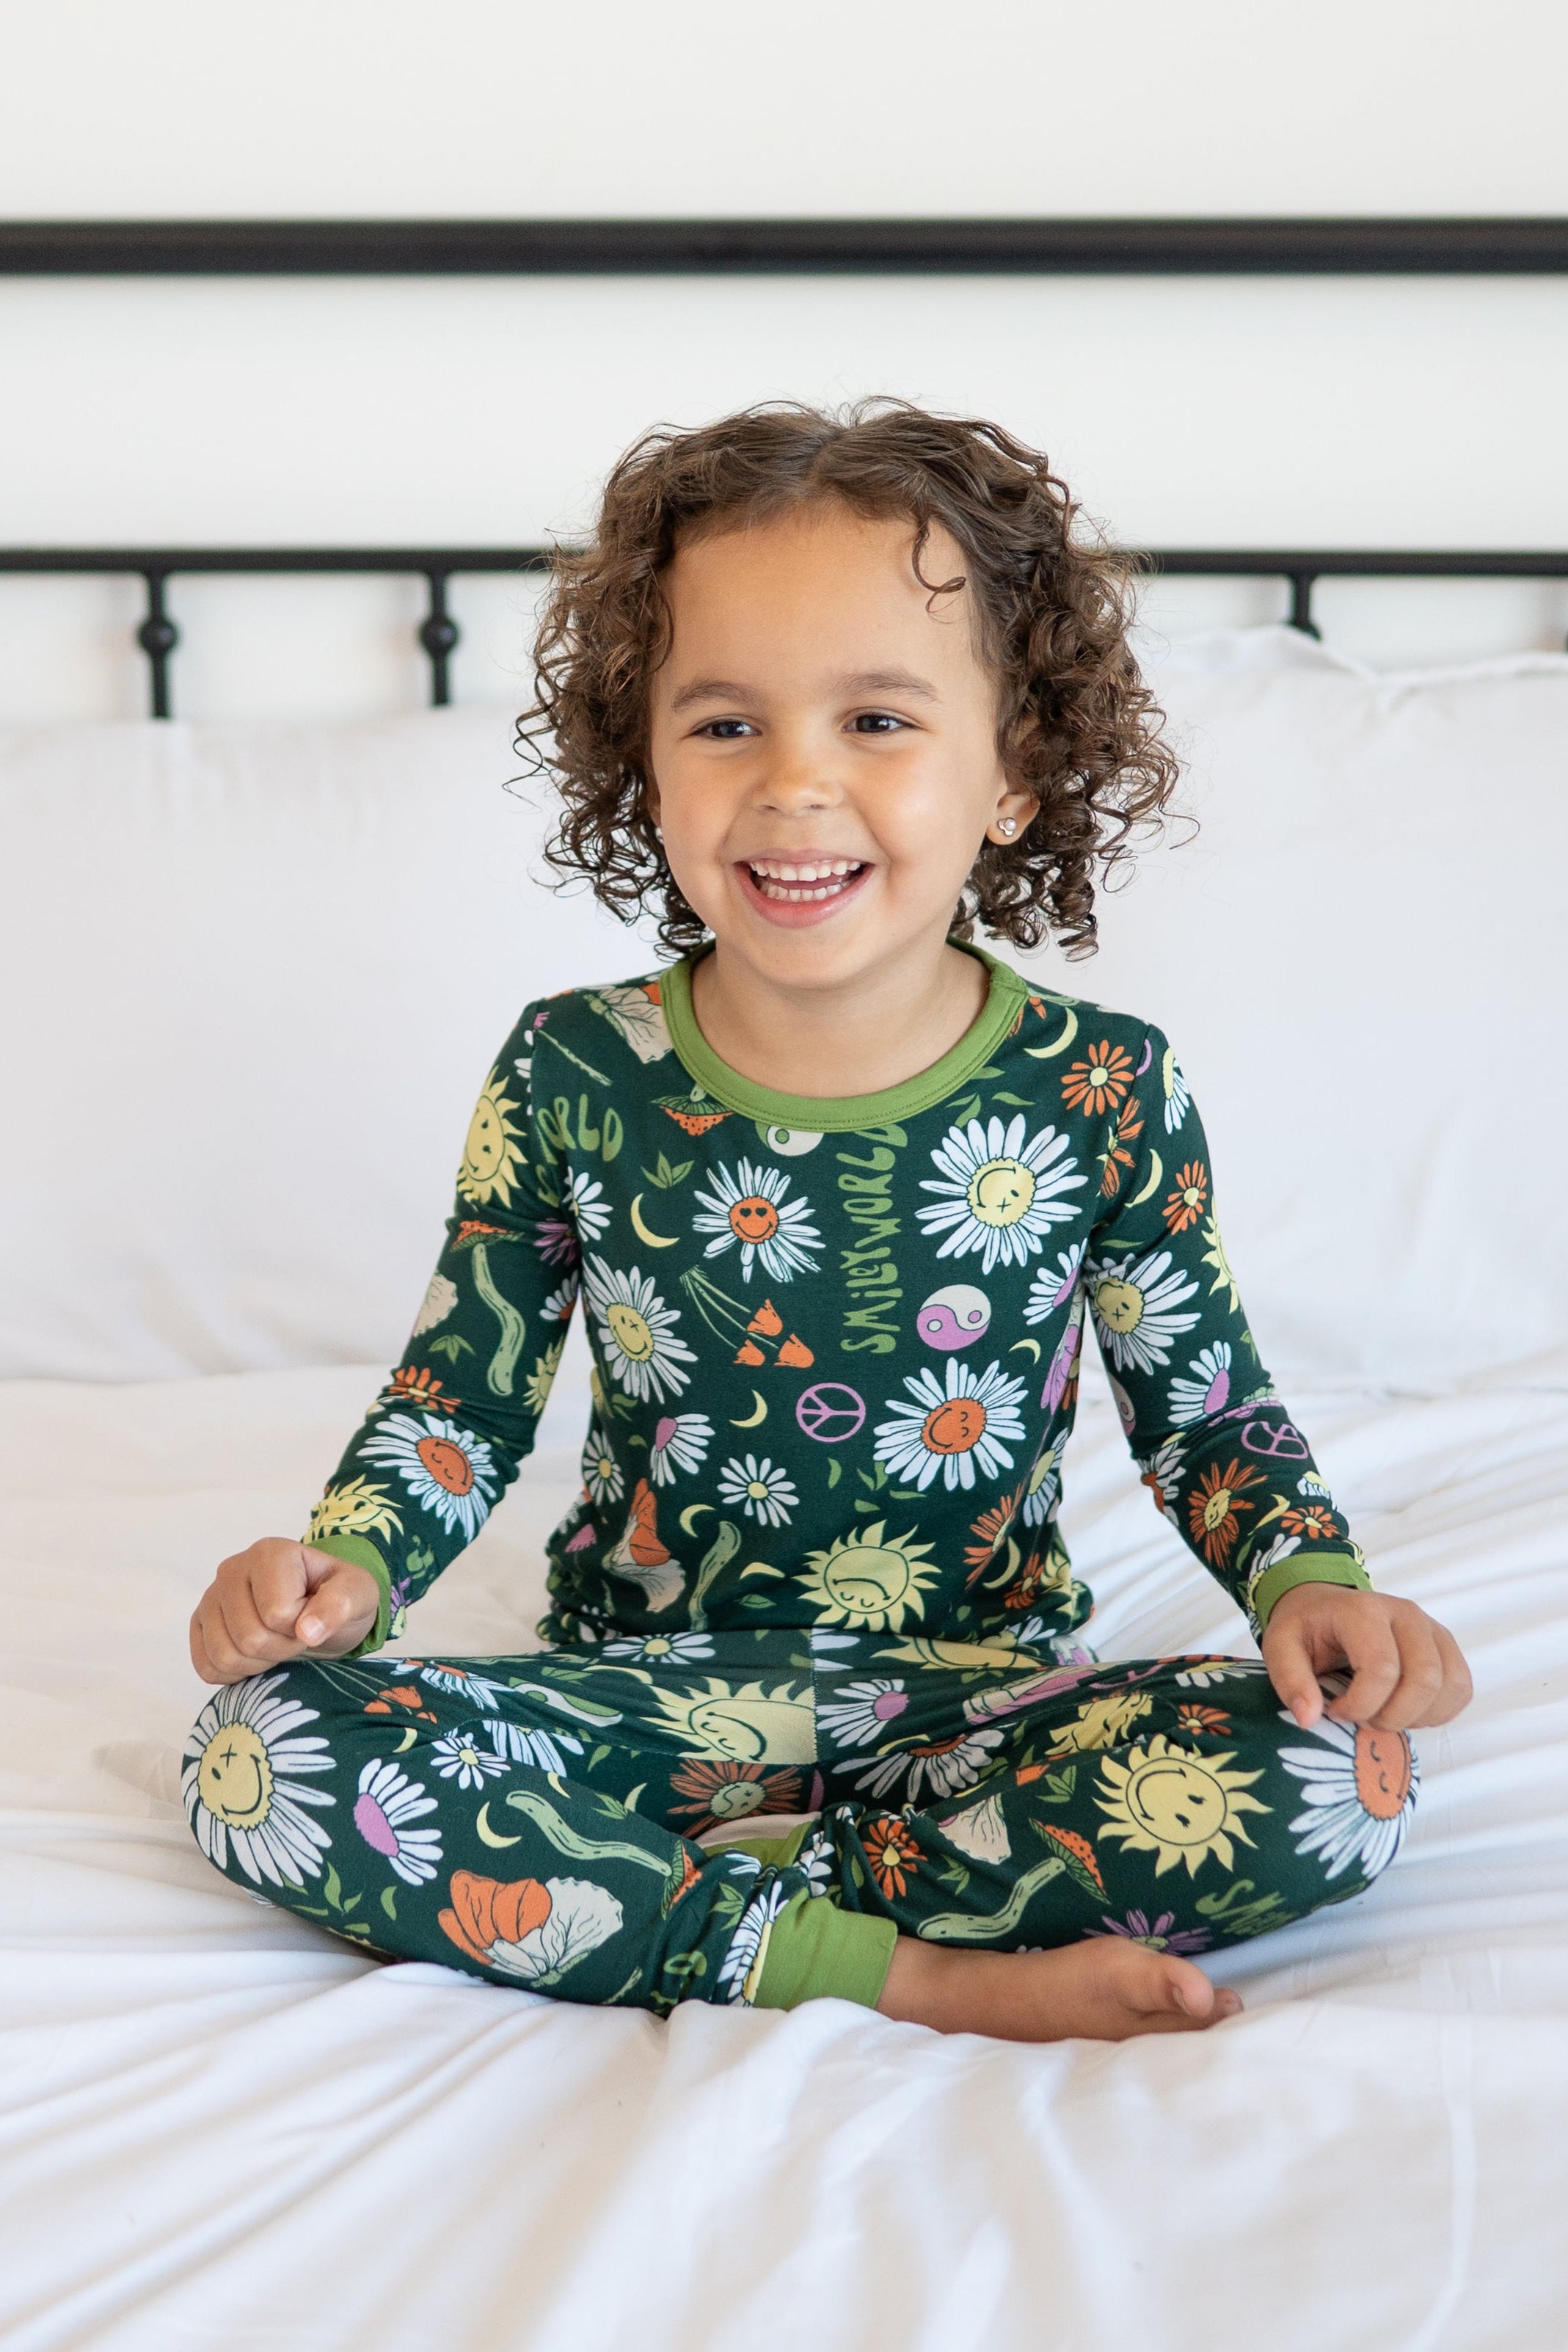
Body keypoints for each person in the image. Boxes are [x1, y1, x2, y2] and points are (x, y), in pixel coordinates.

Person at [185, 401, 1472, 2042]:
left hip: (988, 1707)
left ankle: (664, 1903)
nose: (795, 782)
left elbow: (1205, 1410)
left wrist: (1310, 1586)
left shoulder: (1103, 1090)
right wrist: (343, 1572)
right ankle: (913, 1968)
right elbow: (463, 1398)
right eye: (723, 725)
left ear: (1013, 772)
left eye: (876, 717)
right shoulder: (574, 1068)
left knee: (1338, 1776)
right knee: (258, 1756)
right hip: (634, 1698)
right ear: (640, 764)